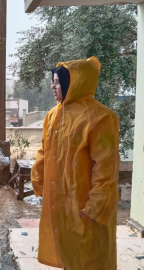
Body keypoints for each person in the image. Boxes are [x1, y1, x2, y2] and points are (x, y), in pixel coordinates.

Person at [31, 57, 120, 270]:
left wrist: (95, 206)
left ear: (75, 83)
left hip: (85, 205)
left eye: (57, 82)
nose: (52, 86)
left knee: (90, 257)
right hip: (61, 202)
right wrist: (40, 179)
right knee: (66, 253)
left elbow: (106, 168)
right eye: (52, 81)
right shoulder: (54, 114)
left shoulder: (100, 117)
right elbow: (45, 150)